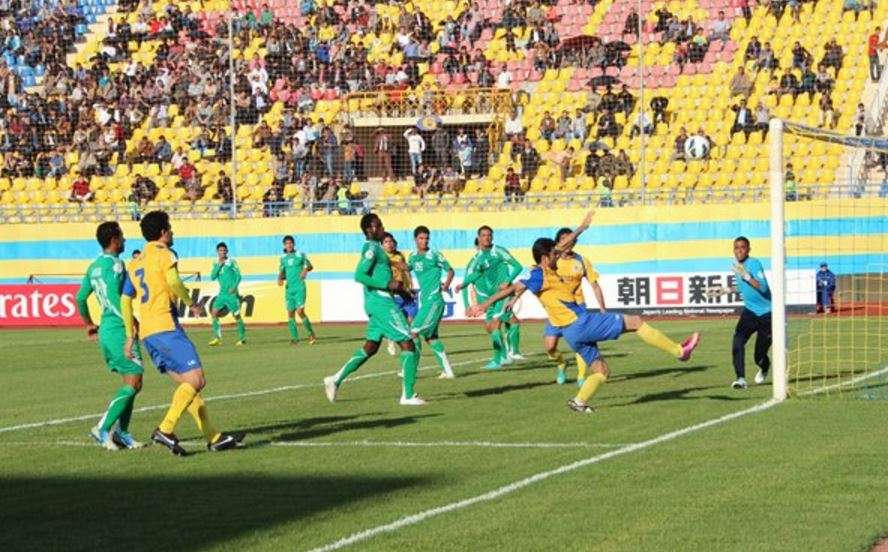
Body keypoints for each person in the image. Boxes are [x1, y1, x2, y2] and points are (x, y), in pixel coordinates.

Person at [467, 210, 700, 413]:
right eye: (554, 254)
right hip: (580, 322)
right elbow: (510, 289)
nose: (560, 254)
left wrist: (582, 227)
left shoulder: (538, 269)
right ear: (545, 257)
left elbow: (558, 249)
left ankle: (579, 401)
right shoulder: (539, 274)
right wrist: (485, 305)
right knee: (636, 321)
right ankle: (680, 352)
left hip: (571, 334)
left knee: (602, 371)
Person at [122, 211, 243, 455]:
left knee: (188, 386)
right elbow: (174, 283)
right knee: (197, 379)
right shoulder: (165, 254)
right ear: (162, 232)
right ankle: (165, 429)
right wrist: (192, 303)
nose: (173, 232)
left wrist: (129, 335)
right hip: (166, 326)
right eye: (170, 228)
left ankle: (214, 437)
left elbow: (125, 299)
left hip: (148, 333)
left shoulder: (135, 263)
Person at [322, 213, 425, 405]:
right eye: (379, 225)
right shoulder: (370, 248)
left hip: (376, 302)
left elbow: (382, 271)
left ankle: (334, 380)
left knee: (371, 347)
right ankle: (408, 396)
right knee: (408, 343)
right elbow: (360, 275)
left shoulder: (377, 249)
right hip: (381, 303)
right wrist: (387, 283)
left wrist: (400, 286)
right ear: (370, 229)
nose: (383, 228)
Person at [76, 221, 145, 450]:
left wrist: (88, 324)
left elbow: (80, 298)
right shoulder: (116, 265)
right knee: (134, 379)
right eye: (122, 237)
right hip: (117, 328)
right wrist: (131, 323)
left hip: (106, 328)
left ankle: (122, 433)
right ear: (114, 240)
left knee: (132, 381)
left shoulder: (93, 266)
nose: (124, 240)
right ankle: (103, 428)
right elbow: (117, 299)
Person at [543, 227, 606, 387]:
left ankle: (581, 376)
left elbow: (595, 285)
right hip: (557, 310)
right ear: (558, 242)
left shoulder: (582, 261)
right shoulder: (553, 261)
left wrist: (602, 308)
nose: (569, 242)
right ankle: (561, 363)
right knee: (550, 347)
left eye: (571, 239)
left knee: (581, 343)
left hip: (578, 307)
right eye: (565, 239)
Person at [455, 225, 525, 369]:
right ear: (479, 238)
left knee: (496, 324)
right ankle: (504, 356)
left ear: (492, 237)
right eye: (484, 235)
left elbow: (518, 266)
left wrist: (508, 280)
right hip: (488, 299)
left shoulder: (499, 251)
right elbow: (474, 275)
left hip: (502, 295)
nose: (487, 238)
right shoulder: (477, 259)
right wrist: (463, 287)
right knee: (490, 327)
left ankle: (498, 360)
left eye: (489, 235)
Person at [408, 225, 456, 379]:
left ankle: (410, 369)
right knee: (431, 338)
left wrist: (446, 285)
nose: (424, 241)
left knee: (413, 332)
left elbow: (450, 270)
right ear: (415, 239)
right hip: (425, 301)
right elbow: (406, 268)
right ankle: (448, 371)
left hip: (434, 301)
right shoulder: (413, 256)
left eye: (427, 238)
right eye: (421, 238)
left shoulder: (434, 255)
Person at [728, 236, 772, 390]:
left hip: (767, 315)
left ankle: (765, 366)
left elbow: (763, 288)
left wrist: (746, 276)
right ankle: (740, 379)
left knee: (759, 356)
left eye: (742, 247)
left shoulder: (754, 263)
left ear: (748, 249)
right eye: (736, 248)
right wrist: (725, 290)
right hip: (750, 313)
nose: (739, 250)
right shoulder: (736, 266)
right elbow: (743, 287)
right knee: (737, 342)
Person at [382, 232, 418, 356]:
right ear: (382, 245)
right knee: (397, 322)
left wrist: (410, 286)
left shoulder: (399, 255)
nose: (390, 244)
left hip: (405, 291)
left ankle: (410, 347)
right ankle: (392, 340)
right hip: (394, 293)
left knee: (410, 322)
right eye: (386, 242)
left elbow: (406, 270)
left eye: (391, 241)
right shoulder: (381, 257)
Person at [208, 242, 246, 346]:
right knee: (214, 313)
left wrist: (234, 287)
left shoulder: (232, 262)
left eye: (224, 250)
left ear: (227, 251)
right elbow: (212, 277)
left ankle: (242, 338)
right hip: (222, 294)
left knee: (237, 316)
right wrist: (219, 266)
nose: (223, 252)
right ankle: (217, 338)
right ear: (217, 252)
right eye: (221, 250)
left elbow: (239, 276)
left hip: (232, 294)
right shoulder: (216, 263)